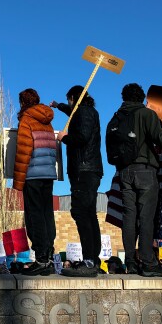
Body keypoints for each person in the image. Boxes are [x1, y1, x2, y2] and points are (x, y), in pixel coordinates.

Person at [107, 84, 162, 277]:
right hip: (145, 170)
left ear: (123, 97)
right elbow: (159, 137)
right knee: (146, 217)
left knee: (129, 218)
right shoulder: (146, 114)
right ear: (141, 98)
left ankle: (131, 262)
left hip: (124, 172)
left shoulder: (115, 118)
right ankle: (148, 262)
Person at [51, 86, 104, 278]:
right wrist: (59, 106)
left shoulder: (84, 112)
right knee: (88, 214)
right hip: (87, 169)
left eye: (69, 100)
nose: (70, 104)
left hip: (84, 169)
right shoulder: (83, 111)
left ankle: (90, 259)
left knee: (81, 213)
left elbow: (82, 137)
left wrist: (65, 138)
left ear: (74, 98)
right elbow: (72, 111)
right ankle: (92, 260)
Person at [12, 89, 58, 276]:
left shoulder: (26, 120)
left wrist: (18, 182)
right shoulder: (47, 121)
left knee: (34, 216)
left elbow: (24, 152)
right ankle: (48, 254)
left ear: (23, 102)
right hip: (48, 174)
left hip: (32, 174)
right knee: (47, 214)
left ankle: (40, 258)